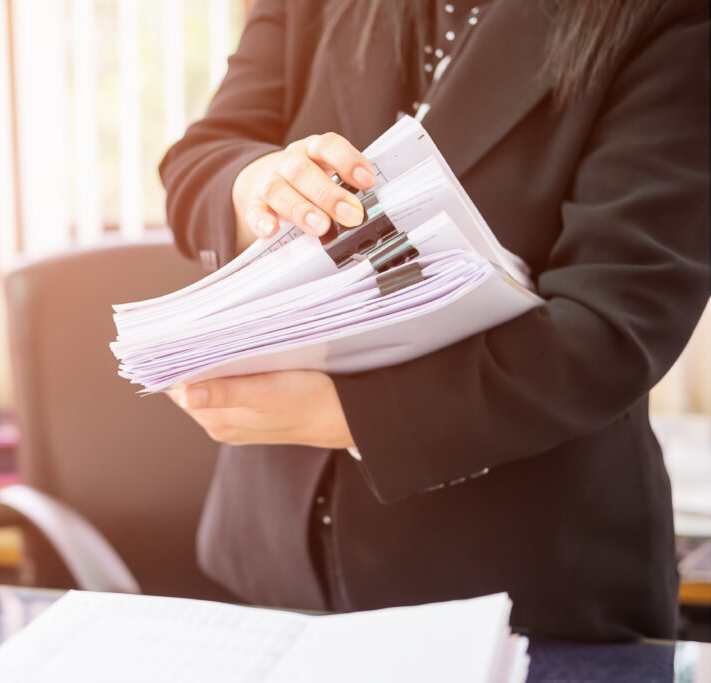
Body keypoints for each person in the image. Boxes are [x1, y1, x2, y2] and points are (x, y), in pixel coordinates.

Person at [159, 0, 709, 640]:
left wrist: (347, 414)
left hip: (525, 587)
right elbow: (200, 157)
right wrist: (255, 183)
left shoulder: (673, 19)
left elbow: (612, 326)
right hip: (272, 568)